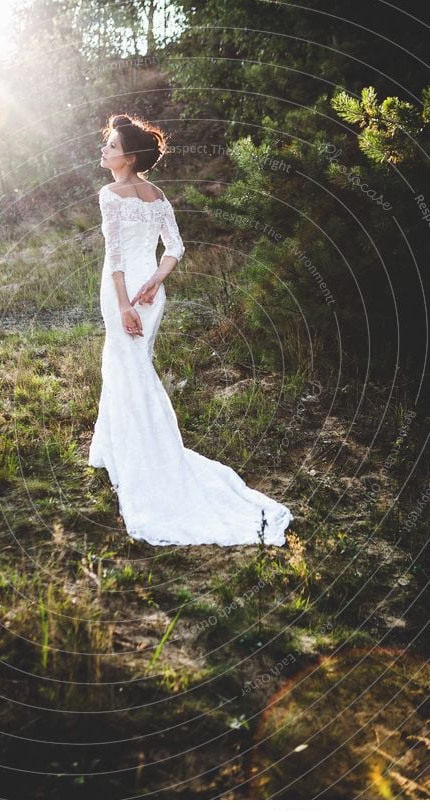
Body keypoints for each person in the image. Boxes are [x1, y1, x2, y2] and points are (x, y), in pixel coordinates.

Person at [88, 112, 294, 546]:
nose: (104, 151)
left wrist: (126, 302)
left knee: (130, 367)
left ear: (127, 157)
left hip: (124, 290)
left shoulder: (110, 194)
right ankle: (110, 449)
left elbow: (116, 257)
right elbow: (176, 249)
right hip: (151, 292)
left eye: (110, 146)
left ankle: (147, 457)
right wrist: (157, 282)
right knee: (127, 363)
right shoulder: (158, 194)